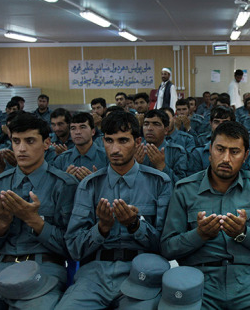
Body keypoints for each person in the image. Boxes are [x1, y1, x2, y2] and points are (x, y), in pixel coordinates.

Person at [161, 121, 250, 309]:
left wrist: (244, 233)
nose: (226, 158)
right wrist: (199, 235)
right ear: (210, 150)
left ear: (245, 156)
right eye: (220, 149)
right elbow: (167, 247)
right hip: (199, 280)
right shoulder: (185, 190)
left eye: (234, 152)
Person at [57, 111, 172, 309]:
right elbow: (74, 248)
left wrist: (135, 225)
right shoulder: (90, 185)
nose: (115, 149)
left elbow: (165, 245)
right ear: (102, 141)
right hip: (94, 274)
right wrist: (102, 228)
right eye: (109, 140)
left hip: (141, 273)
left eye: (123, 140)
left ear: (137, 142)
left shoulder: (159, 183)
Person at [0, 113, 79, 309]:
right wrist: (2, 223)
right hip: (0, 267)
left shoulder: (64, 185)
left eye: (30, 141)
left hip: (44, 268)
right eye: (16, 141)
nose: (21, 149)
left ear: (46, 143)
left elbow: (72, 248)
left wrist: (34, 221)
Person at [190, 106, 250, 174]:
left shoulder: (242, 151)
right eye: (216, 122)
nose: (220, 125)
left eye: (225, 122)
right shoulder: (199, 153)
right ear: (210, 123)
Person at [137, 109, 188, 184]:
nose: (149, 128)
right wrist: (135, 166)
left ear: (166, 130)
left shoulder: (177, 152)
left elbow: (181, 185)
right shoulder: (135, 150)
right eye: (146, 124)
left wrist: (161, 166)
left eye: (156, 124)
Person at [53, 112, 108, 180]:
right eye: (73, 128)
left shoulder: (106, 157)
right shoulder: (62, 160)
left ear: (93, 132)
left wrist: (96, 182)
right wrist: (66, 181)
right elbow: (54, 189)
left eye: (82, 127)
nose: (77, 132)